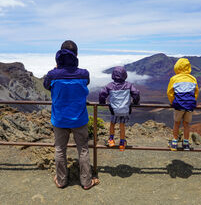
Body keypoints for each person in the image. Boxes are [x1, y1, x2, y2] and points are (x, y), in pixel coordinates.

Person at [43, 40, 99, 189]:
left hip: (60, 119)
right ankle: (86, 181)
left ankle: (61, 181)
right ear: (77, 55)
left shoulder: (52, 75)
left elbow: (46, 85)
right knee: (83, 149)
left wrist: (57, 69)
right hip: (79, 119)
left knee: (60, 149)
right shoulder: (83, 74)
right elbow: (85, 84)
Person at [99, 66, 140, 151]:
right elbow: (136, 93)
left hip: (114, 110)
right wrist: (135, 102)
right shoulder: (128, 85)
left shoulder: (110, 85)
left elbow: (102, 93)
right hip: (125, 110)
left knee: (112, 124)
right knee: (122, 126)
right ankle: (122, 143)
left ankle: (111, 140)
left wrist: (102, 103)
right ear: (125, 75)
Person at [167, 58, 199, 151]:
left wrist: (173, 102)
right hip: (190, 105)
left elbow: (170, 92)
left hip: (179, 105)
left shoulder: (174, 78)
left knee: (177, 123)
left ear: (177, 67)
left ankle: (174, 142)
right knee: (186, 124)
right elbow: (196, 92)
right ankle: (186, 144)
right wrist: (192, 101)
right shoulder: (193, 78)